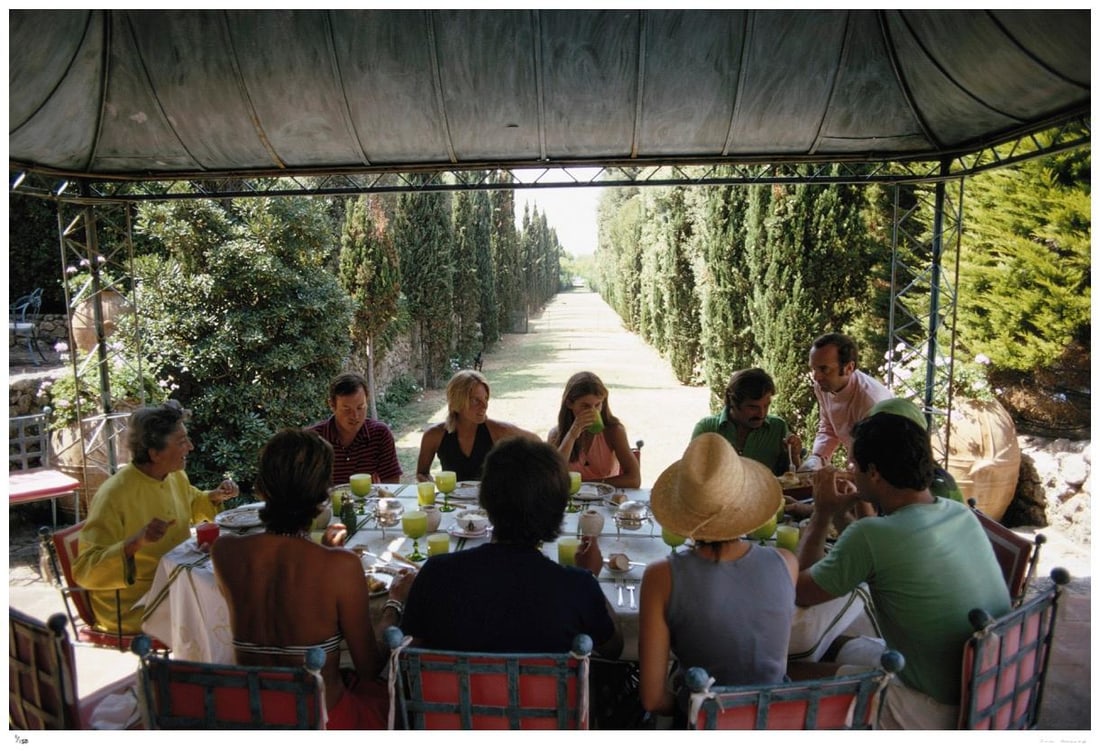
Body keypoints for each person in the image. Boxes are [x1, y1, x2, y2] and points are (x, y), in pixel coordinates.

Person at [794, 412, 1011, 729]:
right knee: (832, 645)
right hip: (986, 688)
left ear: (874, 473)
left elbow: (802, 592)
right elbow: (872, 547)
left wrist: (822, 513)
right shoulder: (959, 512)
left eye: (854, 464)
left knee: (791, 670)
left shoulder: (872, 537)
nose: (850, 471)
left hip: (935, 708)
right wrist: (844, 512)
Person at [212, 429, 414, 730]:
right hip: (321, 720)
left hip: (254, 715)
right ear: (323, 494)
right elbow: (370, 668)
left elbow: (278, 582)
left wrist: (324, 551)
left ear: (262, 488)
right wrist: (395, 603)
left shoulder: (224, 551)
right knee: (404, 696)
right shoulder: (340, 566)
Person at [401, 435, 622, 658]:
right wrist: (590, 577)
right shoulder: (577, 586)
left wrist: (394, 603)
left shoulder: (436, 573)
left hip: (454, 683)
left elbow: (406, 647)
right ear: (557, 510)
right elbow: (613, 648)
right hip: (543, 683)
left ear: (485, 500)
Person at [638, 433, 797, 723]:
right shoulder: (787, 563)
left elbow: (652, 698)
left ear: (682, 511)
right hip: (773, 722)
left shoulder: (661, 577)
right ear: (745, 503)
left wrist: (692, 706)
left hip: (701, 722)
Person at [73, 400, 239, 635]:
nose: (190, 447)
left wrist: (214, 496)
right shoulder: (113, 494)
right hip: (136, 604)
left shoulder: (174, 476)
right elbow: (85, 571)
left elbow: (190, 501)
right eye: (182, 442)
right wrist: (136, 542)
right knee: (223, 611)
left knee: (235, 594)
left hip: (176, 585)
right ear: (155, 453)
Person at [416, 370, 540, 482]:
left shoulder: (499, 430)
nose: (484, 406)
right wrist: (431, 486)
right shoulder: (434, 436)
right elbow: (422, 473)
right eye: (475, 400)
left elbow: (537, 443)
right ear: (456, 402)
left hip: (490, 499)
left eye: (485, 398)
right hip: (453, 499)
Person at [797, 332, 893, 472]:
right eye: (814, 369)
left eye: (824, 369)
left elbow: (873, 456)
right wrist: (817, 458)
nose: (816, 377)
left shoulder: (870, 400)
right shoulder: (823, 386)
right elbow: (829, 426)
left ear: (849, 368)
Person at [691, 367, 802, 476]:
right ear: (732, 401)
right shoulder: (707, 430)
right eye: (753, 407)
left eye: (766, 406)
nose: (761, 414)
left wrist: (794, 455)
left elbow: (794, 479)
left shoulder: (778, 428)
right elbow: (691, 476)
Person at [547, 371, 641, 488]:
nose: (593, 411)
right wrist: (571, 436)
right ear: (570, 403)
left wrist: (587, 485)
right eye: (585, 406)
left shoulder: (613, 431)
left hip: (605, 495)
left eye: (597, 405)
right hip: (571, 498)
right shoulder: (556, 435)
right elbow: (552, 478)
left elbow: (634, 479)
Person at [308, 372, 401, 485]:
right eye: (346, 409)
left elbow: (391, 482)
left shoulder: (379, 434)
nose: (355, 416)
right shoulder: (314, 440)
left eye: (360, 407)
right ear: (332, 405)